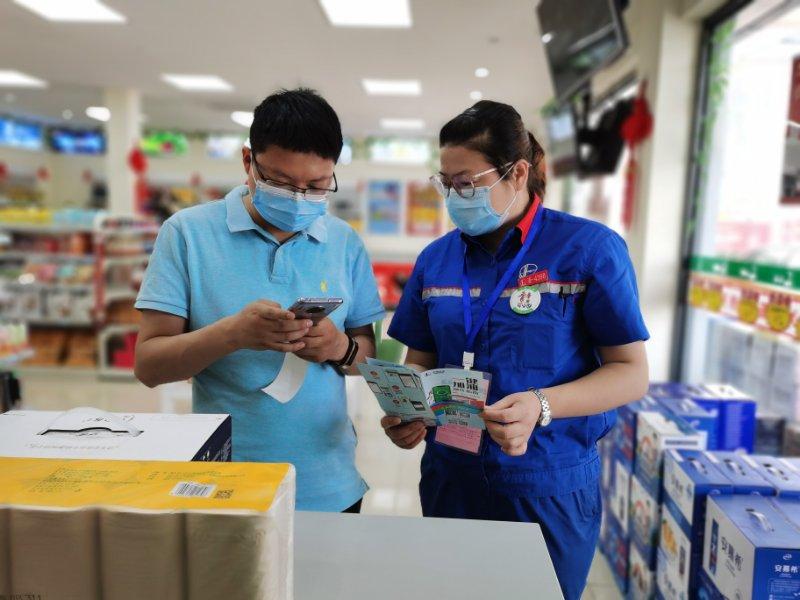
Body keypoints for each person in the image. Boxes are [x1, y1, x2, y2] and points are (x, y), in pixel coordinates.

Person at [383, 100, 649, 600]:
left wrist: (541, 404)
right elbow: (419, 361)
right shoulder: (436, 260)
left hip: (546, 483)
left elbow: (630, 372)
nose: (456, 196)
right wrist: (408, 413)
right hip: (451, 478)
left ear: (518, 172)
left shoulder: (588, 250)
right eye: (446, 183)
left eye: (468, 183)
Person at [134, 88, 385, 513]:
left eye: (316, 186)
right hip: (225, 484)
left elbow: (369, 357)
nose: (299, 198)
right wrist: (232, 334)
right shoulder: (187, 234)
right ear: (248, 161)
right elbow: (149, 366)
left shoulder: (344, 242)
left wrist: (337, 347)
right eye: (282, 183)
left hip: (328, 484)